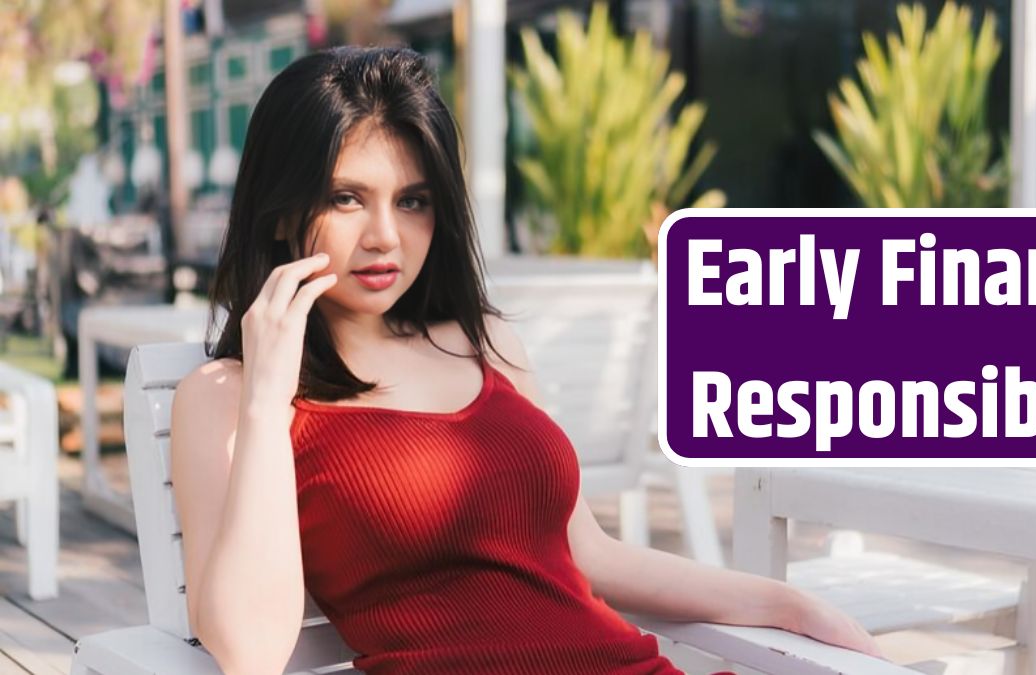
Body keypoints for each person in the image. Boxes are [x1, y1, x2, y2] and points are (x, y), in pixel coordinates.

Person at [170, 46, 882, 675]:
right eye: (347, 198)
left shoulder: (483, 342)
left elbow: (591, 556)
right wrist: (267, 399)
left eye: (413, 200)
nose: (386, 235)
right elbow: (250, 653)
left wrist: (789, 606)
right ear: (282, 211)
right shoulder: (228, 399)